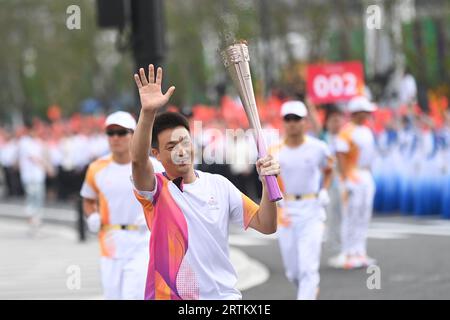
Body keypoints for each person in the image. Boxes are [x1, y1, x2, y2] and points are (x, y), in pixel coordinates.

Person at [131, 64, 280, 300]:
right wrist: (147, 113)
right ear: (156, 154)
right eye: (171, 146)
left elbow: (267, 224)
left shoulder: (219, 185)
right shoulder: (157, 190)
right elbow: (138, 161)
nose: (181, 150)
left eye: (184, 141)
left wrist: (266, 184)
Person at [80, 111, 161, 300]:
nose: (115, 138)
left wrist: (156, 217)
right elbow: (88, 199)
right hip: (111, 243)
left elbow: (171, 199)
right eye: (110, 133)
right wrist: (91, 215)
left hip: (143, 240)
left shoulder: (154, 167)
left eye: (121, 132)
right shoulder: (96, 168)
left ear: (134, 134)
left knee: (134, 295)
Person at [269, 100, 333, 300]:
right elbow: (269, 179)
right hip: (286, 210)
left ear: (305, 121)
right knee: (293, 271)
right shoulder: (273, 151)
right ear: (283, 122)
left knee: (308, 267)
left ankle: (307, 292)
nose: (292, 123)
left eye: (296, 119)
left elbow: (329, 169)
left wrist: (324, 189)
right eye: (288, 119)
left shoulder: (318, 148)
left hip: (311, 208)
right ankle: (308, 290)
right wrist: (275, 197)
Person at [331, 96, 377, 269]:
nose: (368, 114)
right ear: (357, 113)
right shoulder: (346, 132)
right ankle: (347, 252)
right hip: (352, 176)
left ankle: (360, 251)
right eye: (365, 111)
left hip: (365, 175)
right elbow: (341, 157)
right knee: (350, 215)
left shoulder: (366, 131)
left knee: (364, 215)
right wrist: (346, 179)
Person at [18, 125, 54, 235]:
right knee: (31, 196)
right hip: (29, 176)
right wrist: (47, 167)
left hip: (38, 175)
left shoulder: (38, 142)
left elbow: (45, 153)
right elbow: (33, 157)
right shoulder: (24, 142)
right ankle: (31, 218)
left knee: (39, 196)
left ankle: (37, 218)